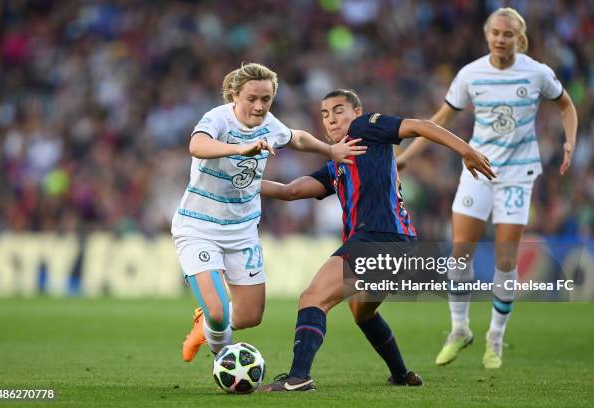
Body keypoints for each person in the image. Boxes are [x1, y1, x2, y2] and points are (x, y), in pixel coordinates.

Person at [259, 89, 495, 391]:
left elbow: (420, 126)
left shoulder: (365, 127)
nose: (331, 119)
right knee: (362, 311)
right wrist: (240, 181)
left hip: (377, 238)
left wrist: (466, 150)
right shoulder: (338, 164)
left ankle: (298, 378)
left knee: (312, 298)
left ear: (357, 112)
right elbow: (291, 191)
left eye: (339, 110)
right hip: (401, 244)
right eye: (325, 114)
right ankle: (401, 374)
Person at [396, 7, 578, 369]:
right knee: (460, 252)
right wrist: (408, 156)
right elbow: (441, 120)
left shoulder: (537, 72)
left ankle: (495, 336)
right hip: (477, 169)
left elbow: (566, 106)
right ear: (486, 34)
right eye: (495, 32)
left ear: (519, 38)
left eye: (508, 34)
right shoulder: (470, 74)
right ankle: (460, 329)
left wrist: (570, 140)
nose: (500, 39)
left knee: (505, 260)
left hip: (517, 174)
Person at [173, 63, 366, 362]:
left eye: (266, 99)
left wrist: (330, 151)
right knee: (218, 310)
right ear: (235, 96)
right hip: (198, 227)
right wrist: (240, 149)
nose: (259, 106)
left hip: (243, 230)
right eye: (252, 98)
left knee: (250, 315)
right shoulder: (218, 119)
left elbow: (296, 137)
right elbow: (196, 145)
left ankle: (207, 326)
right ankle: (222, 360)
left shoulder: (270, 125)